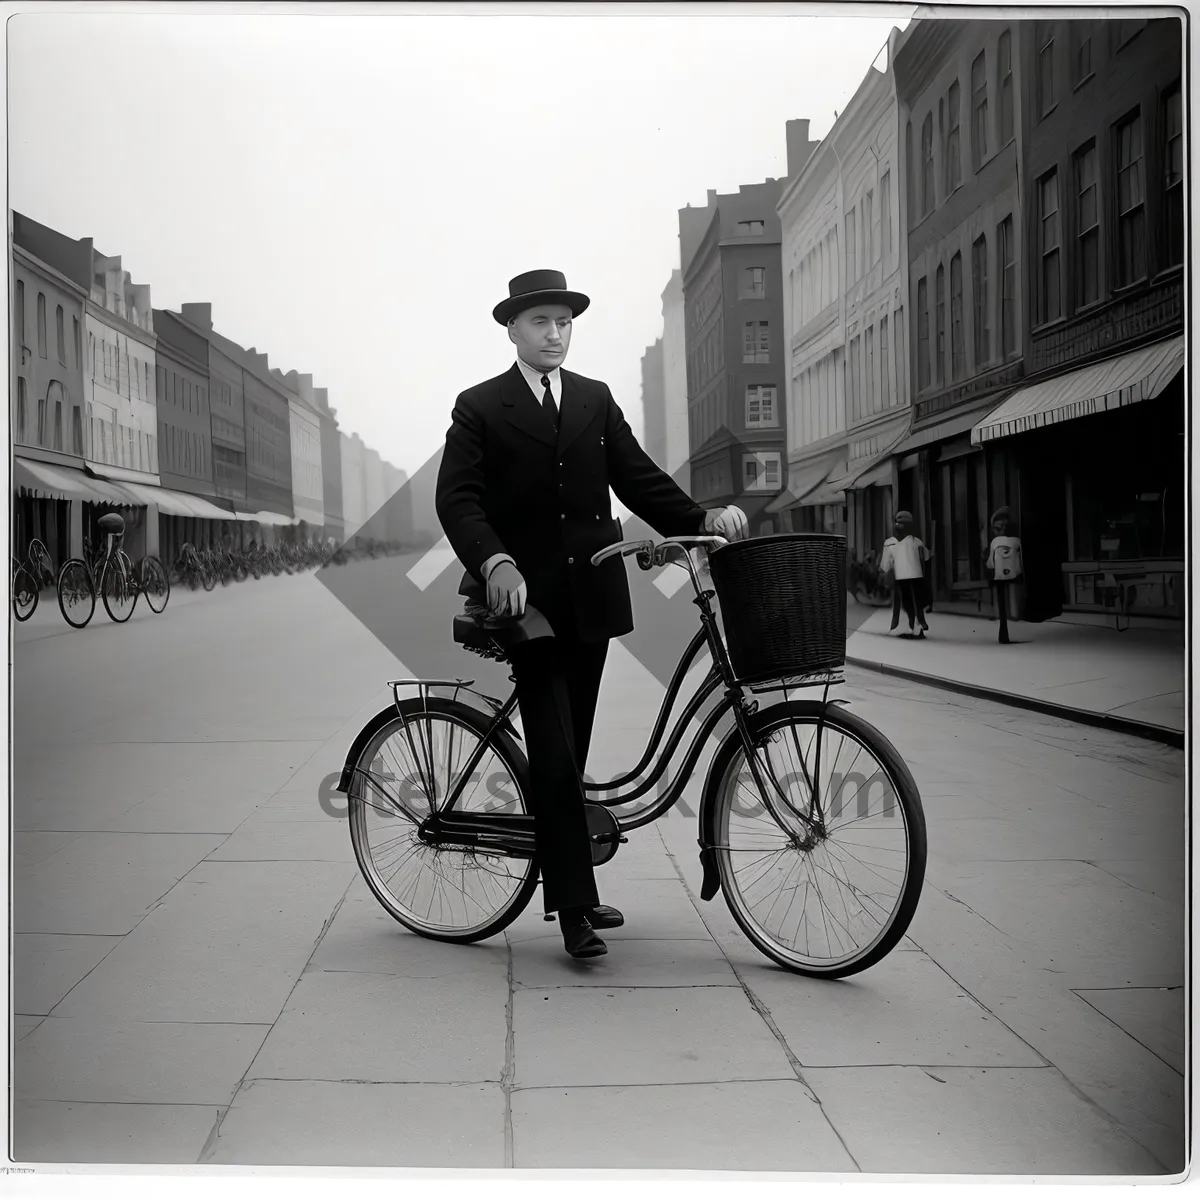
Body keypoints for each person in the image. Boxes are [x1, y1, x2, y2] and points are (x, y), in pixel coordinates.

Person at [436, 269, 748, 960]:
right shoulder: (480, 406)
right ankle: (574, 906)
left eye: (565, 323)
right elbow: (457, 501)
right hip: (527, 602)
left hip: (595, 595)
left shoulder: (594, 399)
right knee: (551, 745)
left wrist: (700, 517)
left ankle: (568, 863)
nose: (555, 334)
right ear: (513, 329)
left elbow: (637, 477)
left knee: (570, 748)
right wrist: (496, 563)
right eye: (542, 322)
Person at [880, 510, 930, 638]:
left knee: (905, 601)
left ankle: (908, 625)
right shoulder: (917, 541)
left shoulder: (889, 543)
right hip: (917, 577)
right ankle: (918, 623)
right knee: (917, 600)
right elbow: (926, 557)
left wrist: (886, 571)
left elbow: (885, 566)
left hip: (901, 577)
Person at [985, 506, 1023, 645]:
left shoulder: (995, 542)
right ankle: (1005, 630)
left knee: (1002, 602)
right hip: (1011, 573)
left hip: (999, 574)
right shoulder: (1015, 541)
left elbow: (990, 562)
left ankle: (1004, 631)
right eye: (998, 527)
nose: (1000, 530)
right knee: (1005, 601)